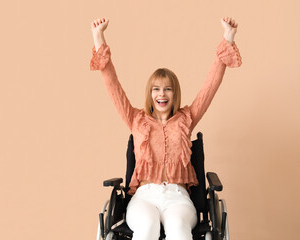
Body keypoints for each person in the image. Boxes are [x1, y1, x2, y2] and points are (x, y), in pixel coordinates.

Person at [90, 17, 242, 240]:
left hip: (178, 197)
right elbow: (113, 86)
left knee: (179, 229)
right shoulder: (135, 119)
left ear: (174, 94)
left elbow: (209, 87)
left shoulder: (186, 118)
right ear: (150, 94)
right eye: (156, 89)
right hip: (144, 196)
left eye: (168, 89)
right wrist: (98, 39)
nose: (162, 94)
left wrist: (228, 37)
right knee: (147, 226)